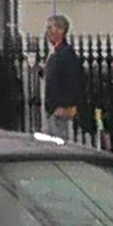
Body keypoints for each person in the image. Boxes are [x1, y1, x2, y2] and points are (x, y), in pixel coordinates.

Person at [41, 15, 86, 143]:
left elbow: (73, 80)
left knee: (60, 143)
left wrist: (67, 105)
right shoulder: (55, 52)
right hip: (52, 109)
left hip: (60, 110)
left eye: (51, 28)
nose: (48, 32)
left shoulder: (66, 53)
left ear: (61, 30)